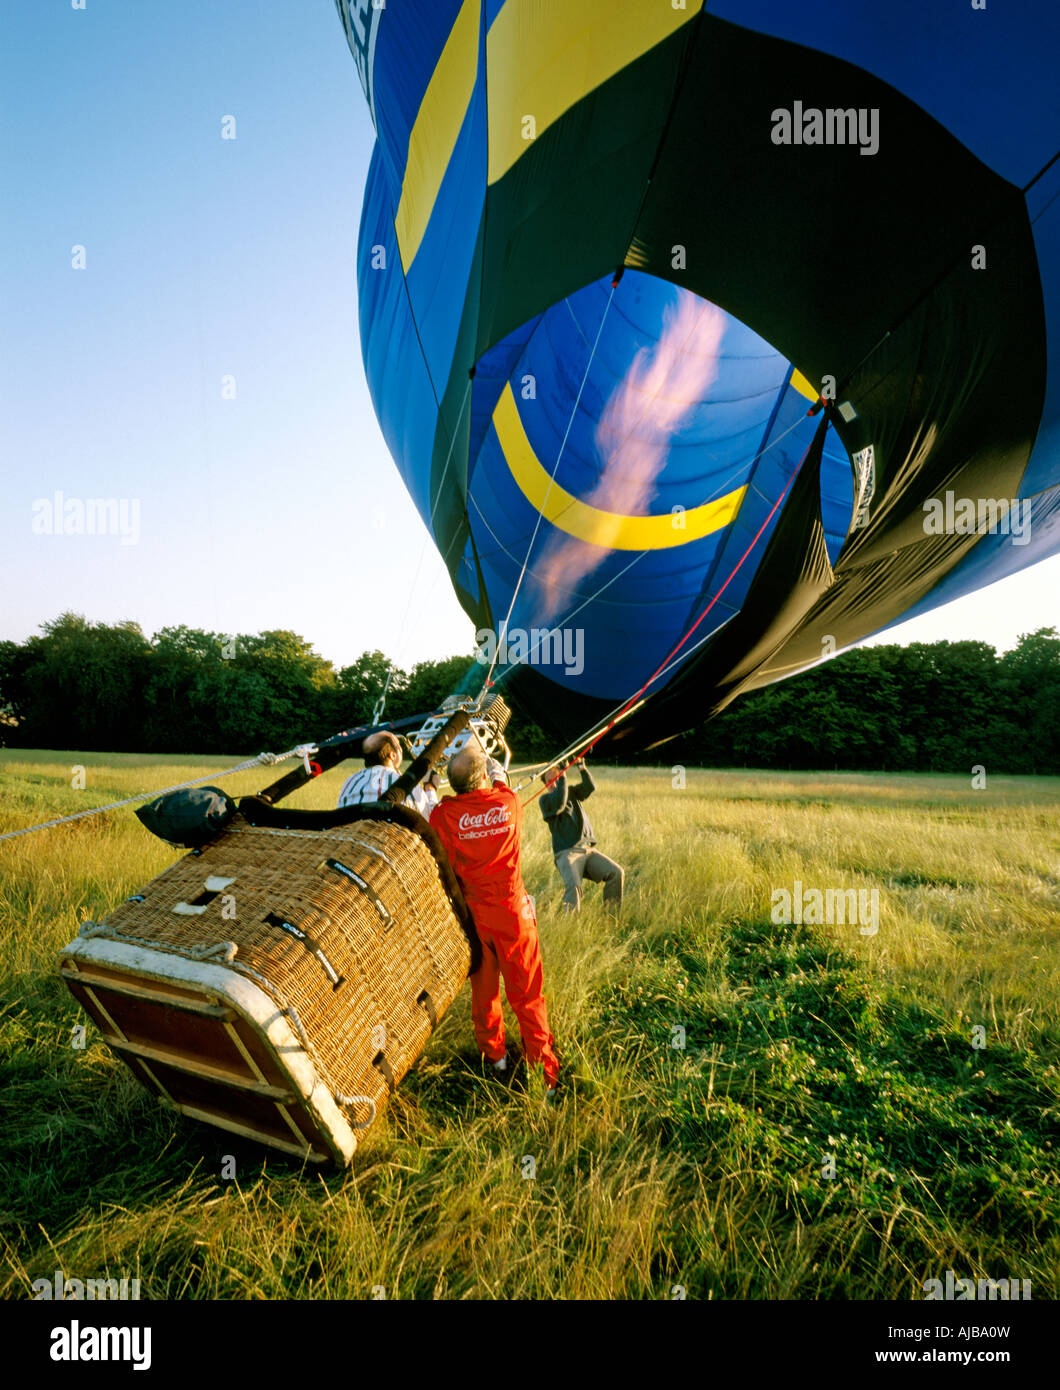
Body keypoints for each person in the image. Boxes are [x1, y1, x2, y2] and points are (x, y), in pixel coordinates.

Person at [430, 741, 561, 1096]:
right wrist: (496, 754)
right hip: (514, 918)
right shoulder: (508, 803)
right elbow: (500, 779)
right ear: (485, 777)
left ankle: (496, 1061)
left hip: (475, 922)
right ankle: (546, 1078)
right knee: (528, 998)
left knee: (484, 994)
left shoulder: (443, 816)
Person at [539, 759, 623, 912]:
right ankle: (569, 928)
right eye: (549, 781)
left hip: (588, 850)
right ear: (545, 784)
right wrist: (563, 777)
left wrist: (581, 767)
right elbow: (560, 803)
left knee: (616, 873)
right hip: (566, 853)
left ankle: (611, 918)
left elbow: (589, 787)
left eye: (556, 778)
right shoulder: (545, 800)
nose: (553, 783)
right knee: (573, 887)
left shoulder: (572, 792)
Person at [337, 730, 439, 817]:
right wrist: (430, 789)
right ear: (392, 756)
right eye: (399, 746)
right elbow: (429, 819)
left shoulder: (350, 782)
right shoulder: (407, 785)